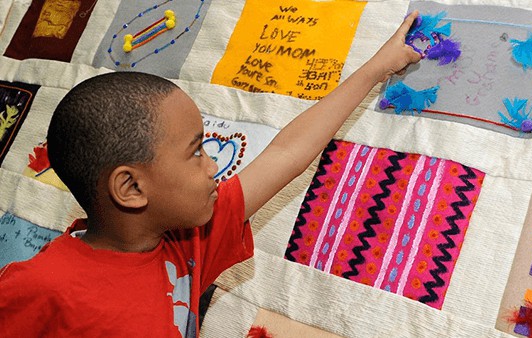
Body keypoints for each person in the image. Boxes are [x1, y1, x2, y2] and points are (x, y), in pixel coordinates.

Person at [0, 12, 421, 337]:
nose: (213, 164)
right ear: (130, 187)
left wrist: (376, 68)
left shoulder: (188, 241)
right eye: (195, 152)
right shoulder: (41, 286)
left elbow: (287, 153)